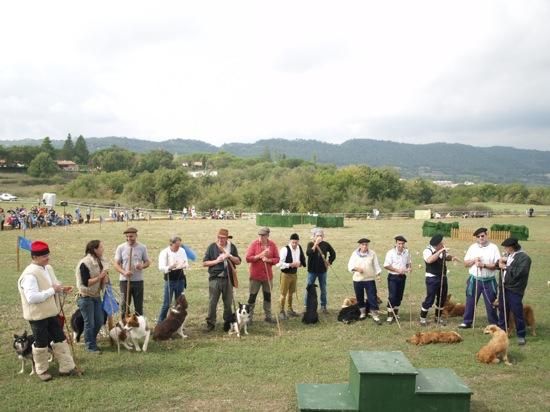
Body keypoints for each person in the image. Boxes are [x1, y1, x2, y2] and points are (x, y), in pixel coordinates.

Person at [17, 240, 79, 381]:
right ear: (35, 257)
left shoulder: (47, 268)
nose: (48, 258)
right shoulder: (29, 275)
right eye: (44, 256)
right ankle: (41, 370)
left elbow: (54, 286)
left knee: (60, 338)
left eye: (47, 255)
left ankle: (67, 367)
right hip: (37, 316)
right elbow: (31, 297)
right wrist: (53, 290)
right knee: (41, 342)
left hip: (51, 312)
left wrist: (61, 290)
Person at [458, 228, 501, 329]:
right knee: (470, 301)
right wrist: (474, 260)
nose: (481, 238)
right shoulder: (473, 247)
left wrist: (483, 265)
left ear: (487, 235)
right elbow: (465, 263)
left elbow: (497, 265)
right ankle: (467, 321)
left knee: (491, 302)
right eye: (478, 236)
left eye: (482, 236)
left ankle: (493, 323)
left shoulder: (493, 248)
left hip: (489, 281)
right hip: (475, 280)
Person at [203, 228, 241, 331]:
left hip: (228, 278)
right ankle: (211, 323)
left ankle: (227, 323)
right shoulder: (212, 247)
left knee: (228, 303)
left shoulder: (231, 247)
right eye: (219, 237)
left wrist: (230, 256)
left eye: (223, 238)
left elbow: (238, 261)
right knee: (212, 302)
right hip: (215, 279)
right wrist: (216, 261)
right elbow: (205, 263)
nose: (220, 239)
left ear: (227, 238)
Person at [75, 240, 109, 353]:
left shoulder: (100, 261)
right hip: (85, 297)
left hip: (96, 296)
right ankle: (90, 346)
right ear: (95, 250)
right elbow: (86, 282)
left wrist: (105, 279)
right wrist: (100, 277)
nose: (103, 249)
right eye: (101, 247)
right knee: (90, 322)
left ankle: (91, 340)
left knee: (99, 321)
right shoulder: (84, 263)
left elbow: (104, 276)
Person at [497, 237, 531, 345]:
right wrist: (500, 263)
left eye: (507, 247)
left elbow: (519, 273)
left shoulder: (524, 258)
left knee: (517, 312)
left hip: (515, 289)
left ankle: (521, 334)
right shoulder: (509, 255)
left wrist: (506, 267)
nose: (505, 249)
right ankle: (501, 332)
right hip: (504, 287)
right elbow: (501, 266)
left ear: (512, 247)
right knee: (503, 310)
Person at [419, 234, 458, 326]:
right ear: (436, 245)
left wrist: (452, 258)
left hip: (442, 277)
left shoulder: (441, 249)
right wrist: (440, 251)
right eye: (441, 243)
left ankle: (438, 317)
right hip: (432, 278)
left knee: (442, 298)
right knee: (430, 299)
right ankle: (422, 318)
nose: (443, 244)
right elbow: (429, 260)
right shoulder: (427, 251)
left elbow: (446, 256)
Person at [245, 227, 280, 323]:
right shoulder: (254, 244)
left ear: (268, 235)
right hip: (255, 276)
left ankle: (268, 316)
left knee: (267, 296)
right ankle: (249, 317)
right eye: (259, 235)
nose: (261, 237)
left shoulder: (272, 245)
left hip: (267, 276)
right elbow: (248, 258)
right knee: (252, 297)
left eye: (263, 235)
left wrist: (269, 260)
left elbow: (277, 259)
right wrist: (260, 255)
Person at [113, 227, 151, 316]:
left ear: (136, 236)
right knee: (124, 306)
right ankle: (125, 326)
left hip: (138, 281)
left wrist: (142, 266)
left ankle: (139, 327)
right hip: (124, 281)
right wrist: (124, 272)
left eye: (131, 236)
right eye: (127, 236)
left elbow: (147, 262)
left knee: (138, 307)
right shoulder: (121, 248)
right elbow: (116, 264)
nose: (129, 239)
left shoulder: (142, 247)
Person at [347, 238, 382, 324]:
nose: (365, 246)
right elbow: (350, 266)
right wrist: (357, 269)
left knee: (372, 296)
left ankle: (375, 315)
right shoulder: (354, 254)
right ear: (360, 245)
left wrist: (378, 275)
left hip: (369, 279)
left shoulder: (372, 253)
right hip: (358, 279)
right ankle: (362, 313)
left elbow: (376, 265)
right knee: (359, 297)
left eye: (366, 245)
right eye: (363, 245)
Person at [157, 235, 189, 322]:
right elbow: (160, 267)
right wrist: (170, 267)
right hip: (169, 279)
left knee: (179, 303)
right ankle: (160, 322)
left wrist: (184, 265)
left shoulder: (182, 250)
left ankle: (177, 322)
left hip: (180, 278)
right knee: (167, 304)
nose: (178, 248)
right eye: (176, 246)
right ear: (171, 244)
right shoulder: (164, 252)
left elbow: (186, 262)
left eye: (179, 246)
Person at [305, 228, 336, 313]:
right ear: (314, 236)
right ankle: (307, 306)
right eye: (317, 235)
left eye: (321, 235)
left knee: (323, 289)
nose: (319, 237)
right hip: (312, 270)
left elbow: (333, 254)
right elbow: (308, 253)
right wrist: (315, 244)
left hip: (322, 271)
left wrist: (329, 261)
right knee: (309, 288)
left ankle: (323, 306)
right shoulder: (310, 244)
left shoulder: (326, 244)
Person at [276, 233, 306, 320]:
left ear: (298, 242)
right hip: (286, 274)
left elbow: (302, 259)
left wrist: (300, 264)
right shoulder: (285, 249)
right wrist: (290, 264)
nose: (294, 244)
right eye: (293, 242)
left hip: (294, 274)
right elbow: (279, 264)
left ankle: (289, 310)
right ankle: (281, 311)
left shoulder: (299, 248)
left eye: (296, 243)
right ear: (290, 241)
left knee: (291, 293)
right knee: (283, 294)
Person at [383, 235, 412, 324]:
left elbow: (408, 263)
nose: (401, 245)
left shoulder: (407, 252)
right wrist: (397, 270)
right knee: (392, 296)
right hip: (393, 277)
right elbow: (386, 265)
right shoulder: (390, 253)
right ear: (396, 243)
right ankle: (390, 316)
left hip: (402, 277)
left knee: (399, 297)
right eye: (399, 243)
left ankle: (396, 313)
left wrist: (409, 268)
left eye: (402, 244)